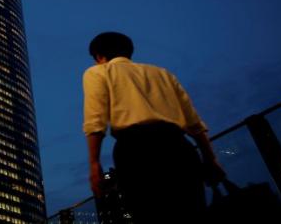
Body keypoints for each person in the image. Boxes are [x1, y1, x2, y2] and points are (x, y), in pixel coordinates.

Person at [83, 32, 225, 223]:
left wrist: (94, 163)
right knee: (193, 211)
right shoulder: (163, 73)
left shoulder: (97, 72)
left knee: (149, 213)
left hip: (135, 150)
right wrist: (211, 159)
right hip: (179, 147)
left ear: (99, 56)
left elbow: (95, 121)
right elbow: (195, 124)